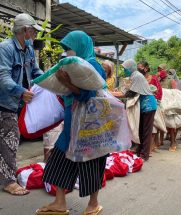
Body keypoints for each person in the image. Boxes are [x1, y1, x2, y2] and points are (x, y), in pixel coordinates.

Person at [36, 31, 107, 215]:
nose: (68, 52)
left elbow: (88, 94)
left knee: (90, 162)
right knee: (59, 159)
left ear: (80, 46)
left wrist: (66, 82)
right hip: (71, 123)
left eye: (70, 48)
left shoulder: (92, 65)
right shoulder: (74, 65)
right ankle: (60, 203)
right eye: (66, 49)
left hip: (89, 124)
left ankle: (93, 204)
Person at [0, 13, 43, 195]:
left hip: (18, 103)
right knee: (11, 139)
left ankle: (6, 175)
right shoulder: (5, 48)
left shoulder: (29, 50)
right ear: (25, 30)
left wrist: (47, 80)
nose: (35, 34)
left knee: (8, 140)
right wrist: (21, 92)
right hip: (5, 102)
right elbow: (3, 76)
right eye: (33, 31)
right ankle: (9, 182)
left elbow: (35, 71)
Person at [122, 59, 157, 161]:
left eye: (125, 69)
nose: (124, 71)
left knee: (146, 131)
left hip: (148, 105)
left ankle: (144, 155)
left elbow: (131, 93)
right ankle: (139, 152)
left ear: (130, 68)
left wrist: (113, 94)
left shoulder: (137, 76)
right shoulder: (133, 76)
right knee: (140, 130)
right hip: (143, 106)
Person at [137, 61, 162, 154]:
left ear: (146, 68)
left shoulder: (154, 78)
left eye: (140, 67)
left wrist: (157, 100)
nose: (138, 69)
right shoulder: (139, 78)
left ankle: (146, 152)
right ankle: (142, 150)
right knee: (142, 129)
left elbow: (159, 92)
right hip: (141, 105)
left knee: (149, 130)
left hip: (150, 105)